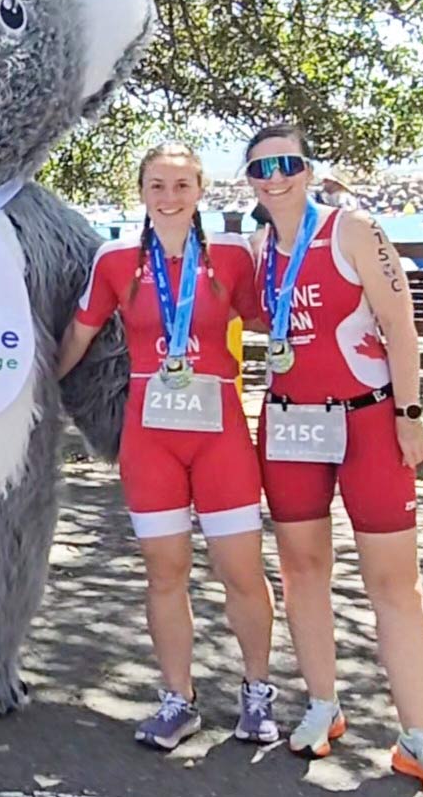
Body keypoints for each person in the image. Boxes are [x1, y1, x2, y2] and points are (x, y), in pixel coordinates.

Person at [58, 142, 277, 751]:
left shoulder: (232, 255)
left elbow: (269, 317)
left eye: (182, 185)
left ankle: (257, 691)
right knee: (165, 573)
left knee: (240, 571)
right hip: (149, 436)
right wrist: (37, 389)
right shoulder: (116, 260)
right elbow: (79, 332)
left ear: (201, 191)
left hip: (220, 436)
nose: (170, 197)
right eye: (157, 185)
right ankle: (178, 700)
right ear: (142, 192)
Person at [245, 124, 423, 782]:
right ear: (249, 180)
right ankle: (324, 703)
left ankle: (418, 732)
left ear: (307, 167)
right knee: (301, 570)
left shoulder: (352, 228)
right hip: (292, 426)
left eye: (287, 162)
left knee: (394, 583)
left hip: (368, 421)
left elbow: (399, 327)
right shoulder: (259, 245)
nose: (275, 176)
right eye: (260, 167)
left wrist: (410, 413)